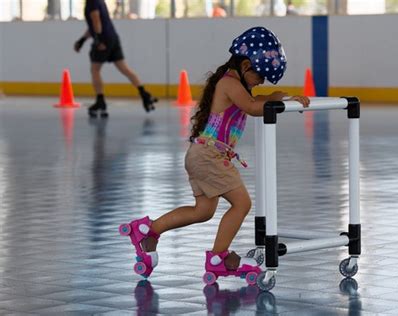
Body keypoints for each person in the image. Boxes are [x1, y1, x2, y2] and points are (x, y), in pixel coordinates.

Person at [119, 26, 309, 281]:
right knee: (242, 204)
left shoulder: (234, 83)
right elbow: (253, 107)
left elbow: (255, 99)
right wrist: (281, 101)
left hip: (202, 154)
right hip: (210, 156)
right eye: (260, 75)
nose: (261, 81)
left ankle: (147, 230)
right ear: (245, 66)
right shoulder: (230, 83)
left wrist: (279, 96)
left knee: (203, 211)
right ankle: (218, 258)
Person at [74, 0, 157, 118]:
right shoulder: (99, 1)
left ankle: (100, 101)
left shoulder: (91, 2)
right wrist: (82, 40)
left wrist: (98, 40)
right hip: (113, 38)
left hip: (104, 40)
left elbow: (96, 21)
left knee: (95, 70)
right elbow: (94, 24)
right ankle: (145, 94)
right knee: (124, 68)